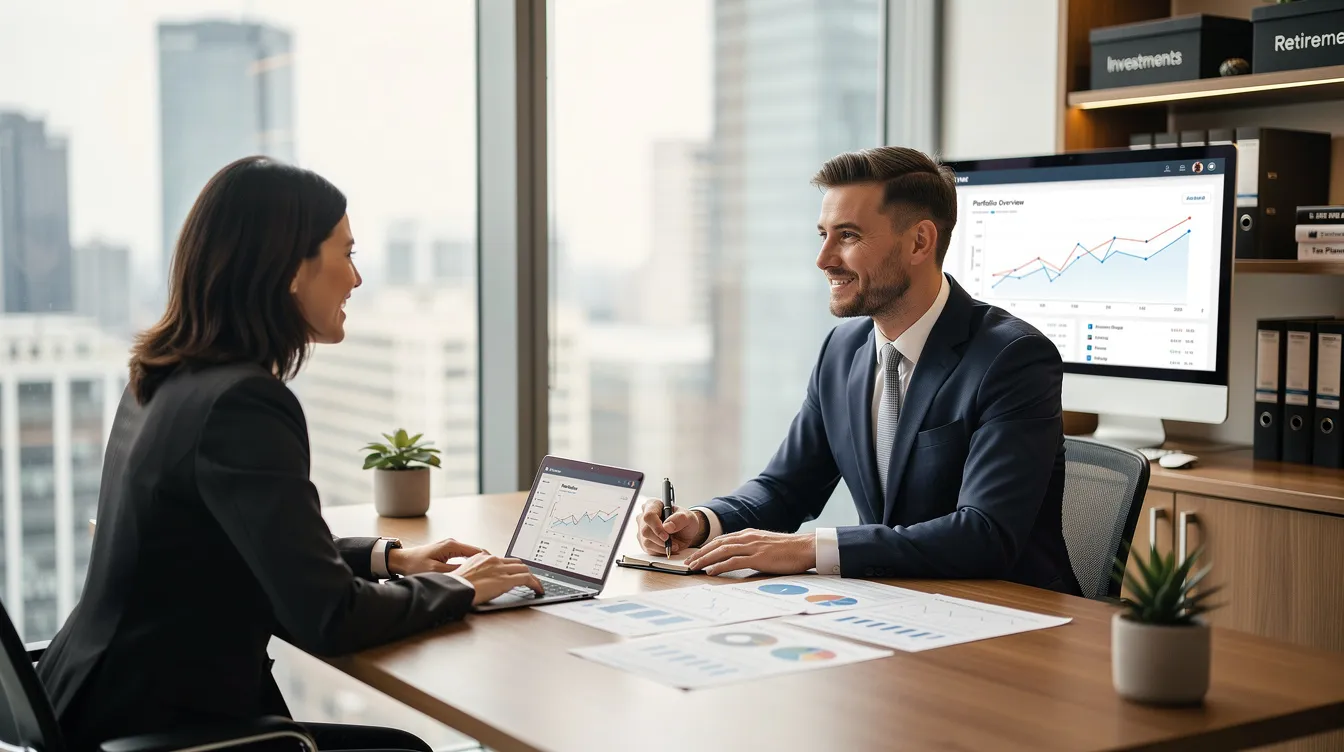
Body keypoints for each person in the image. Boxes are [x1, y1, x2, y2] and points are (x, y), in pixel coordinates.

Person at [36, 156, 543, 751]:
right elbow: (327, 617)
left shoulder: (161, 378)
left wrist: (387, 559)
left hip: (88, 707)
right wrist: (463, 588)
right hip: (162, 727)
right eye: (346, 254)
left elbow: (243, 546)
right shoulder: (243, 403)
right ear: (289, 270)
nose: (357, 279)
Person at [638, 146, 1081, 596]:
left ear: (919, 242)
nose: (824, 258)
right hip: (897, 606)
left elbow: (985, 534)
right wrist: (700, 522)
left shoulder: (1012, 357)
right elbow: (786, 488)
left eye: (847, 236)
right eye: (823, 235)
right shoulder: (843, 350)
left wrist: (811, 549)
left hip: (1015, 618)